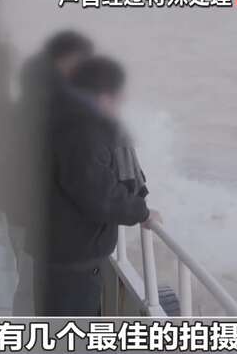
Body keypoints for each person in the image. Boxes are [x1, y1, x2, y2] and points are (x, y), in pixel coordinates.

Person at [33, 55, 156, 316]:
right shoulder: (84, 133)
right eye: (118, 94)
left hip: (59, 251)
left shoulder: (64, 120)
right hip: (71, 261)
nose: (122, 100)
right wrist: (142, 212)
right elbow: (99, 195)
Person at [0, 31, 93, 315]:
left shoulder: (12, 116)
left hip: (17, 216)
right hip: (36, 220)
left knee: (28, 281)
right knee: (31, 287)